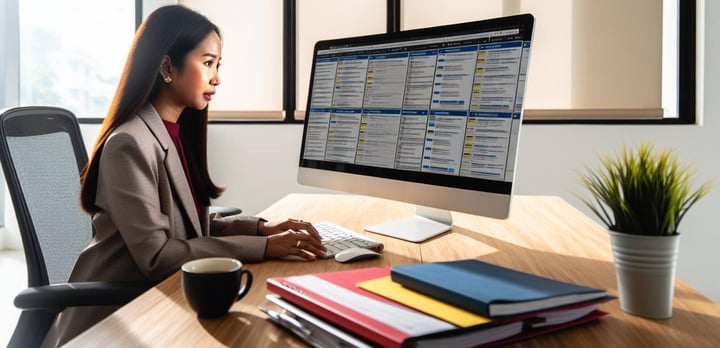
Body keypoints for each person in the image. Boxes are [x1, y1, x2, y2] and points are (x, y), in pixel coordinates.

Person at [42, 5, 325, 346]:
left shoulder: (172, 133)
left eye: (218, 65)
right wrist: (264, 248)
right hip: (114, 319)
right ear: (166, 66)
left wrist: (263, 229)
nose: (216, 77)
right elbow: (159, 256)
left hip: (157, 301)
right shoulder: (130, 143)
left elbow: (188, 226)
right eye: (207, 63)